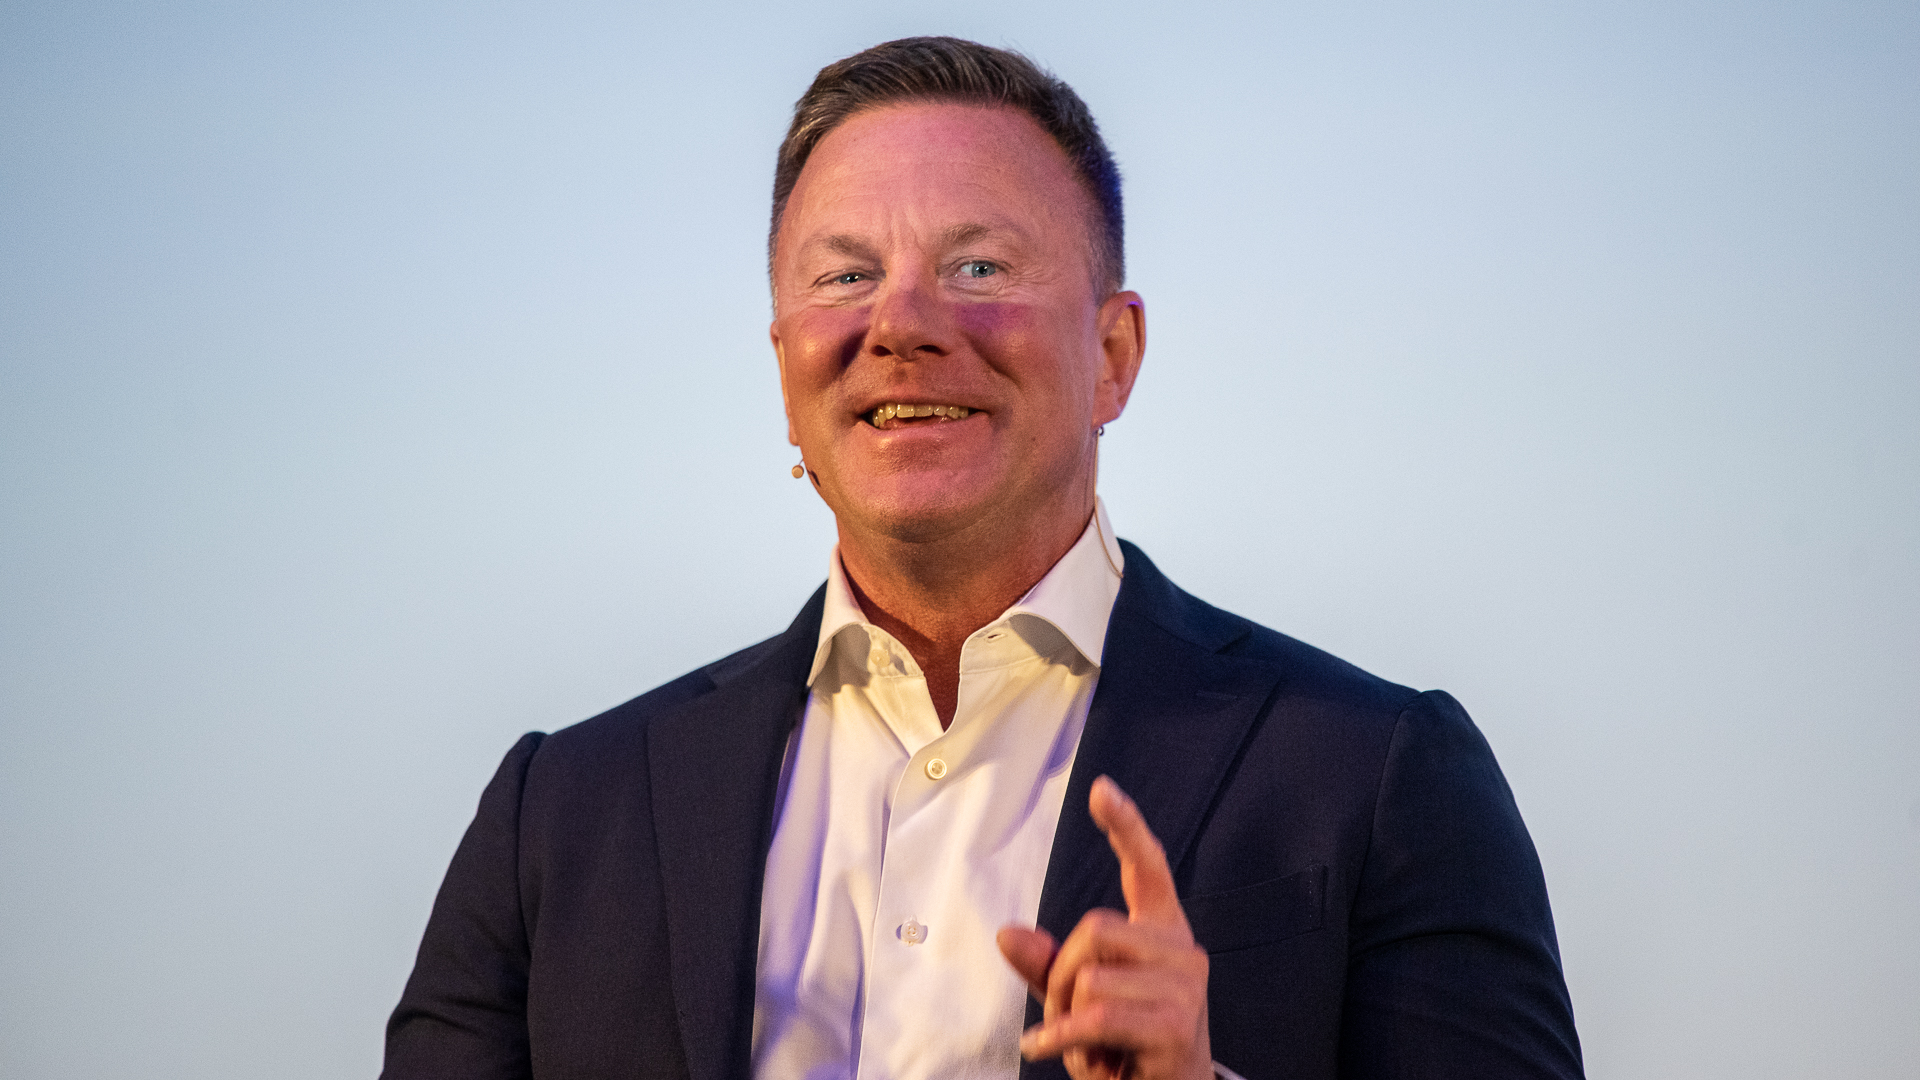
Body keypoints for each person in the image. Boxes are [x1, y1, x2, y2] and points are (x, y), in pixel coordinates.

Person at [382, 36, 1584, 1080]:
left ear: (1113, 357)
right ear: (786, 365)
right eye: (846, 276)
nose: (901, 323)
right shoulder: (557, 815)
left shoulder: (1376, 771)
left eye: (979, 269)